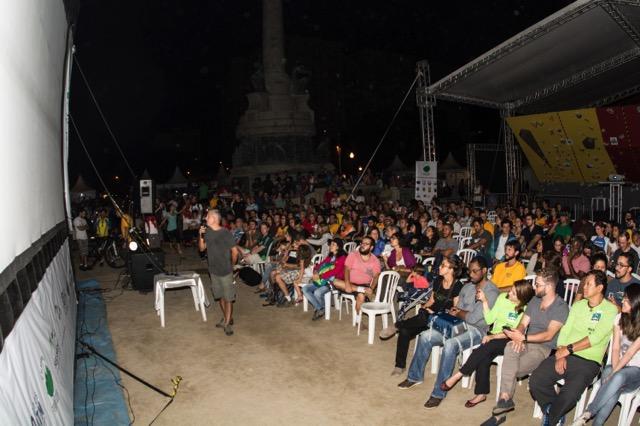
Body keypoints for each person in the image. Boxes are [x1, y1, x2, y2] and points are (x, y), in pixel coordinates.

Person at [529, 270, 617, 426]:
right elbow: (565, 331)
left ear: (600, 287)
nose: (584, 286)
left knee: (570, 393)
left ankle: (551, 418)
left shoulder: (610, 310)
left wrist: (567, 350)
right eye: (584, 283)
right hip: (565, 353)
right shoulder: (578, 305)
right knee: (536, 379)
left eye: (588, 284)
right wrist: (561, 353)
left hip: (588, 360)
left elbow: (594, 338)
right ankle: (551, 410)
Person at [483, 268, 569, 426]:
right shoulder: (535, 300)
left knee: (510, 368)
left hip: (544, 348)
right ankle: (504, 400)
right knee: (510, 347)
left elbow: (549, 335)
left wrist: (524, 337)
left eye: (538, 284)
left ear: (549, 287)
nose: (534, 287)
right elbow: (523, 323)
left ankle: (500, 410)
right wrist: (518, 335)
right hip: (526, 342)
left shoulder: (560, 307)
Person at [420, 256, 500, 409]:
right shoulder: (468, 287)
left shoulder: (491, 291)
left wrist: (460, 313)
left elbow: (476, 318)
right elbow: (456, 310)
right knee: (425, 336)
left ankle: (438, 393)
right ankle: (415, 376)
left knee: (450, 345)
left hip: (478, 331)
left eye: (475, 271)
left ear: (484, 271)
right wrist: (460, 313)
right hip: (459, 324)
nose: (471, 274)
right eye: (469, 271)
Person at [441, 279, 535, 407]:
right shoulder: (503, 298)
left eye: (513, 293)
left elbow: (512, 333)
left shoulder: (525, 310)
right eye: (511, 290)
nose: (509, 293)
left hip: (509, 340)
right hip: (494, 336)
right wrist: (484, 301)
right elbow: (489, 319)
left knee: (484, 348)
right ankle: (481, 394)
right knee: (483, 355)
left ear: (521, 298)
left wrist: (492, 337)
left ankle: (459, 375)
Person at [573, 283, 640, 426]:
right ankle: (597, 423)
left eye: (627, 299)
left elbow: (629, 354)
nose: (622, 301)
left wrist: (615, 372)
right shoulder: (619, 319)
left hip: (635, 371)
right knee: (612, 379)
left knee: (618, 376)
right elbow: (615, 348)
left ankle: (588, 412)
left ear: (635, 303)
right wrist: (614, 370)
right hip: (618, 364)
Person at [388, 254, 464, 377]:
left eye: (443, 265)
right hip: (428, 316)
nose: (439, 267)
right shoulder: (438, 280)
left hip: (442, 320)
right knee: (405, 331)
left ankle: (398, 324)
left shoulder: (457, 286)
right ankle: (399, 366)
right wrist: (424, 307)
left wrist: (434, 314)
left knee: (423, 317)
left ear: (451, 269)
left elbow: (455, 311)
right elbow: (432, 300)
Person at [199, 209, 238, 336]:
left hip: (226, 270)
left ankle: (227, 324)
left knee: (228, 298)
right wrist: (200, 235)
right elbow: (201, 248)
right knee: (220, 296)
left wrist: (232, 267)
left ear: (214, 219)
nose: (205, 218)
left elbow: (235, 252)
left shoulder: (225, 233)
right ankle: (227, 317)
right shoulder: (207, 231)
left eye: (208, 216)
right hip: (213, 271)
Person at [333, 236, 381, 314]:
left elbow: (376, 277)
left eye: (366, 244)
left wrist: (371, 288)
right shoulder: (353, 254)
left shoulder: (375, 260)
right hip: (349, 282)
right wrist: (348, 283)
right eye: (362, 243)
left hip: (364, 285)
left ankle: (358, 320)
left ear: (371, 247)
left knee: (361, 296)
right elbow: (347, 269)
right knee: (335, 281)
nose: (363, 245)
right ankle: (359, 289)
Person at [302, 239, 347, 320]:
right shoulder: (330, 256)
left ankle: (319, 309)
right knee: (305, 289)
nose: (330, 246)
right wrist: (315, 272)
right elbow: (319, 265)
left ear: (338, 247)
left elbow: (335, 271)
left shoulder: (342, 258)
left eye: (333, 244)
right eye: (331, 244)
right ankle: (320, 308)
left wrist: (320, 276)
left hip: (333, 281)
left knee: (317, 293)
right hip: (322, 280)